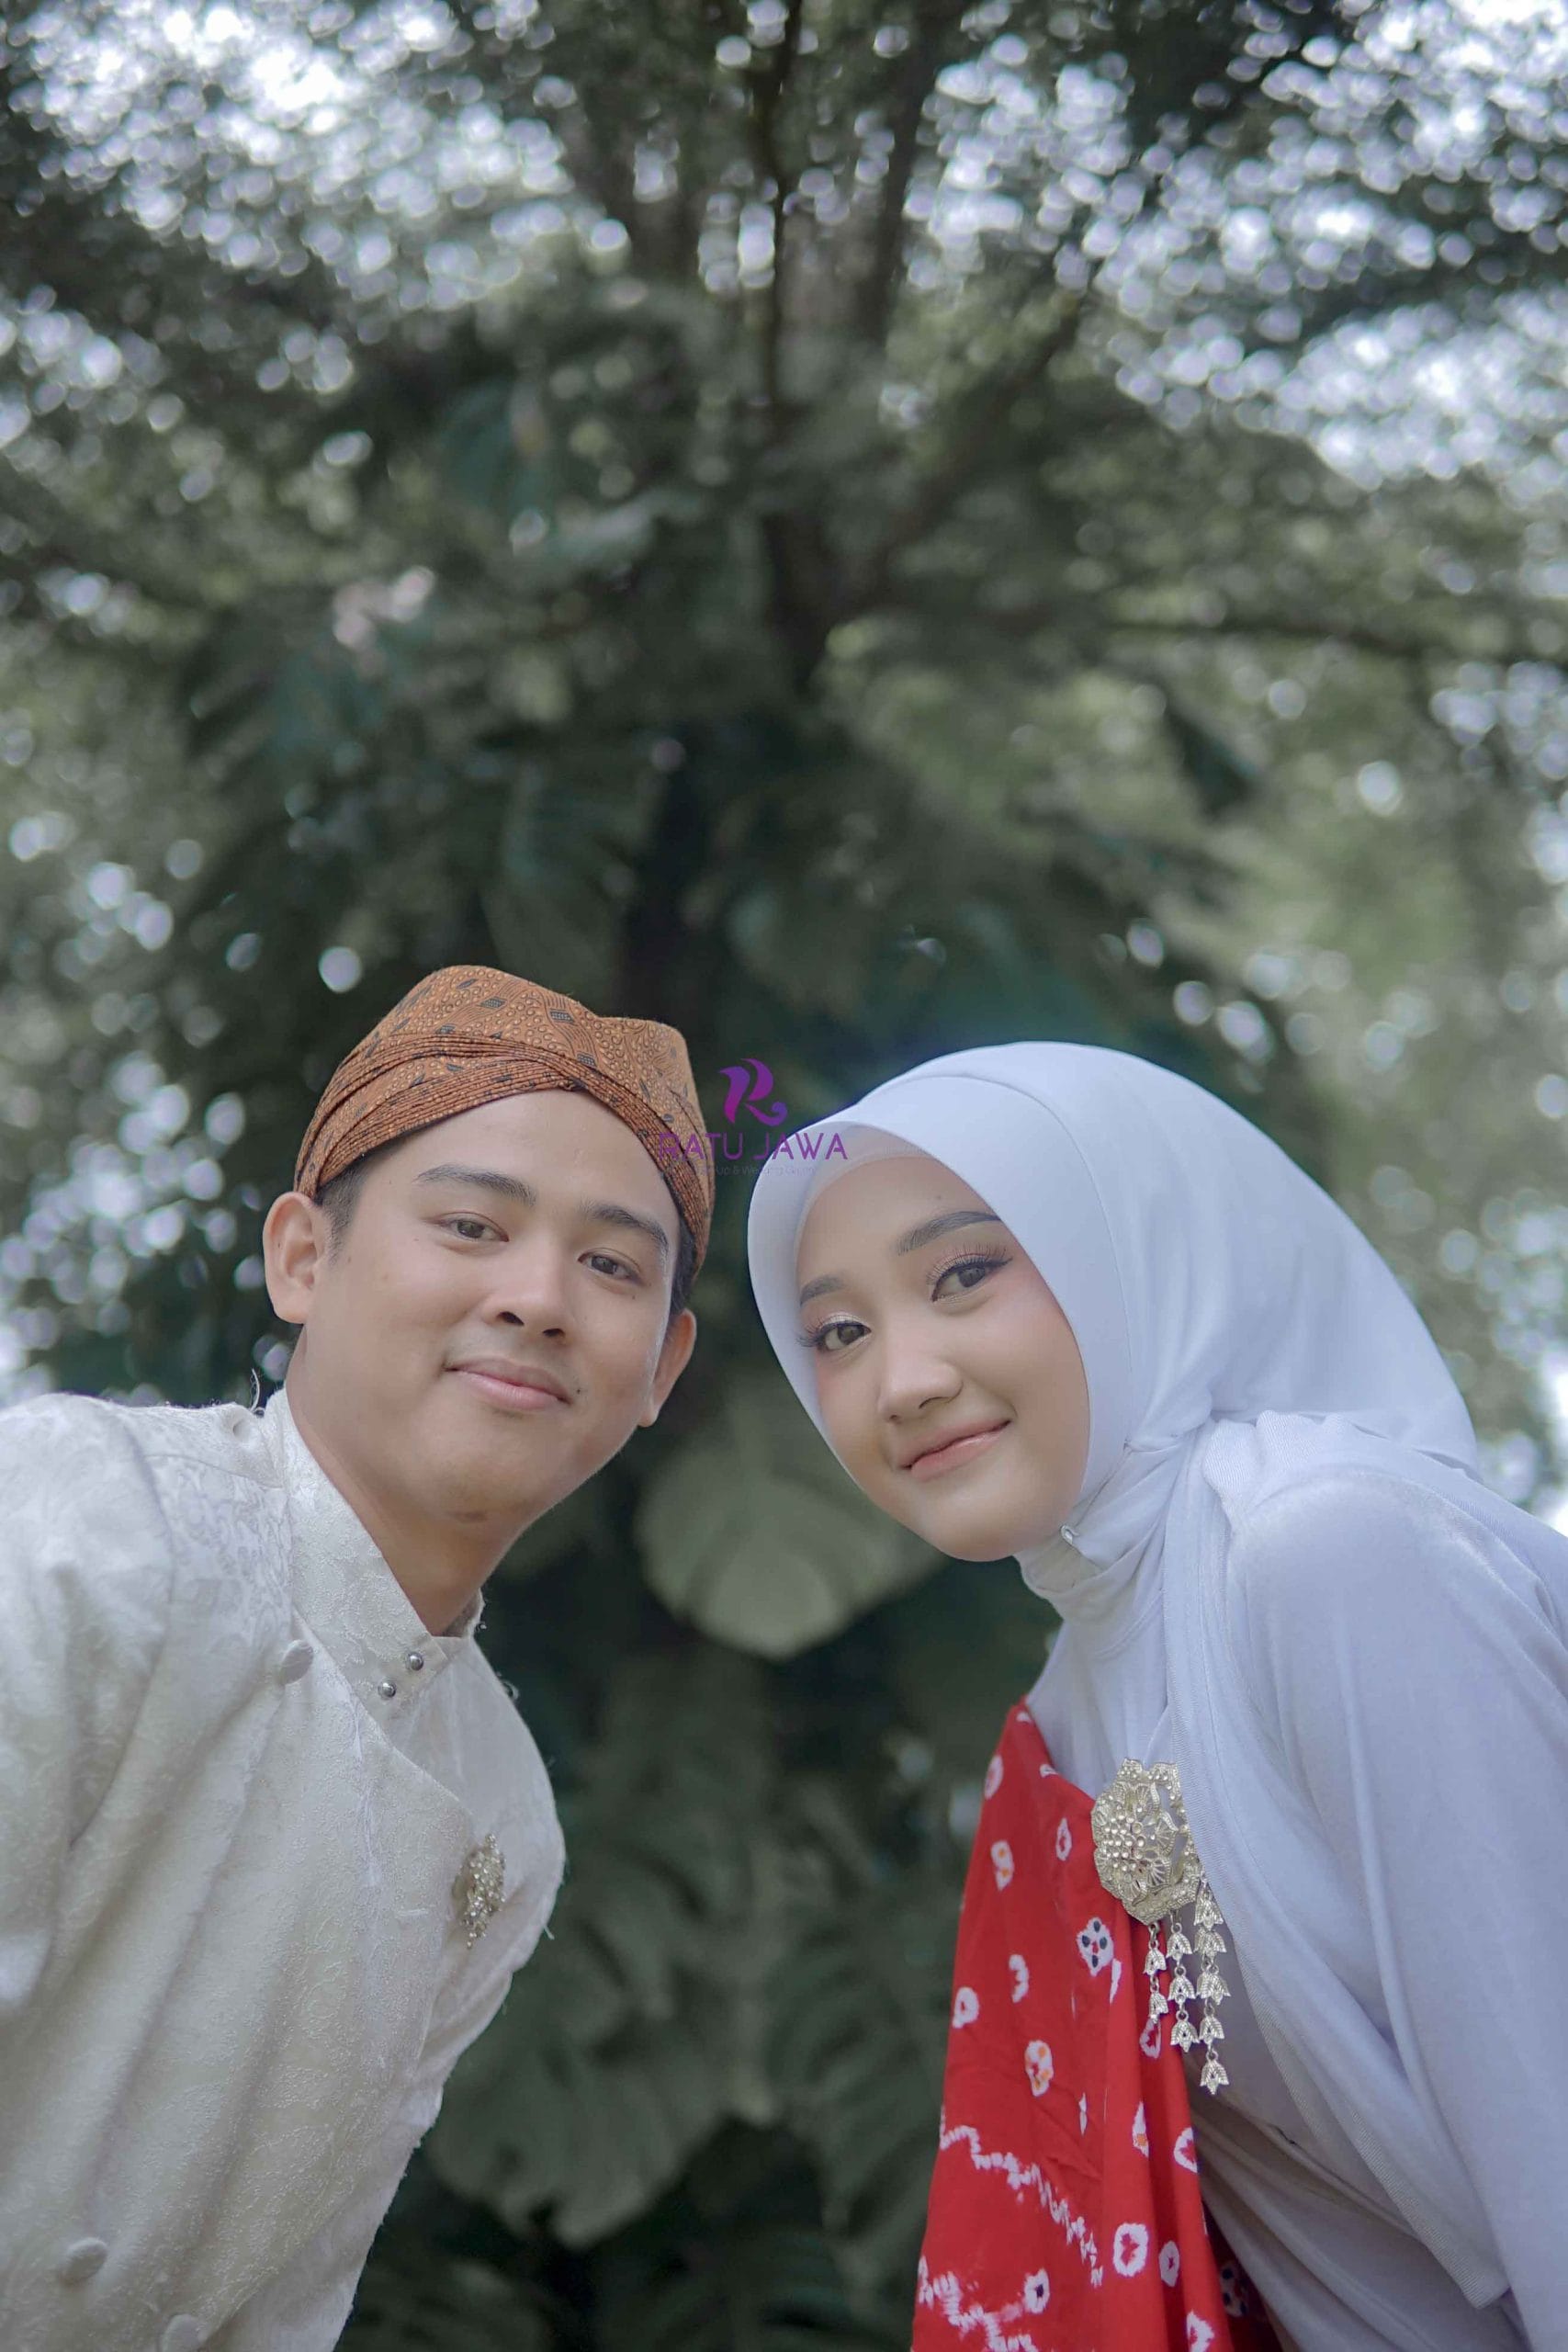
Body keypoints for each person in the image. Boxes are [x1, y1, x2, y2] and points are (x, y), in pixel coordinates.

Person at [746, 1042, 1568, 2352]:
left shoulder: (1332, 1560)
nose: (904, 1381)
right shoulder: (1056, 1735)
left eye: (964, 1275)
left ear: (1129, 1251)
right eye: (839, 1334)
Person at [0, 966, 709, 2352]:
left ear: (661, 1372)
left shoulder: (505, 1811)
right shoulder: (88, 1518)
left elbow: (286, 2302)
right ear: (303, 1260)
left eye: (612, 1267)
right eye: (471, 1225)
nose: (538, 1299)